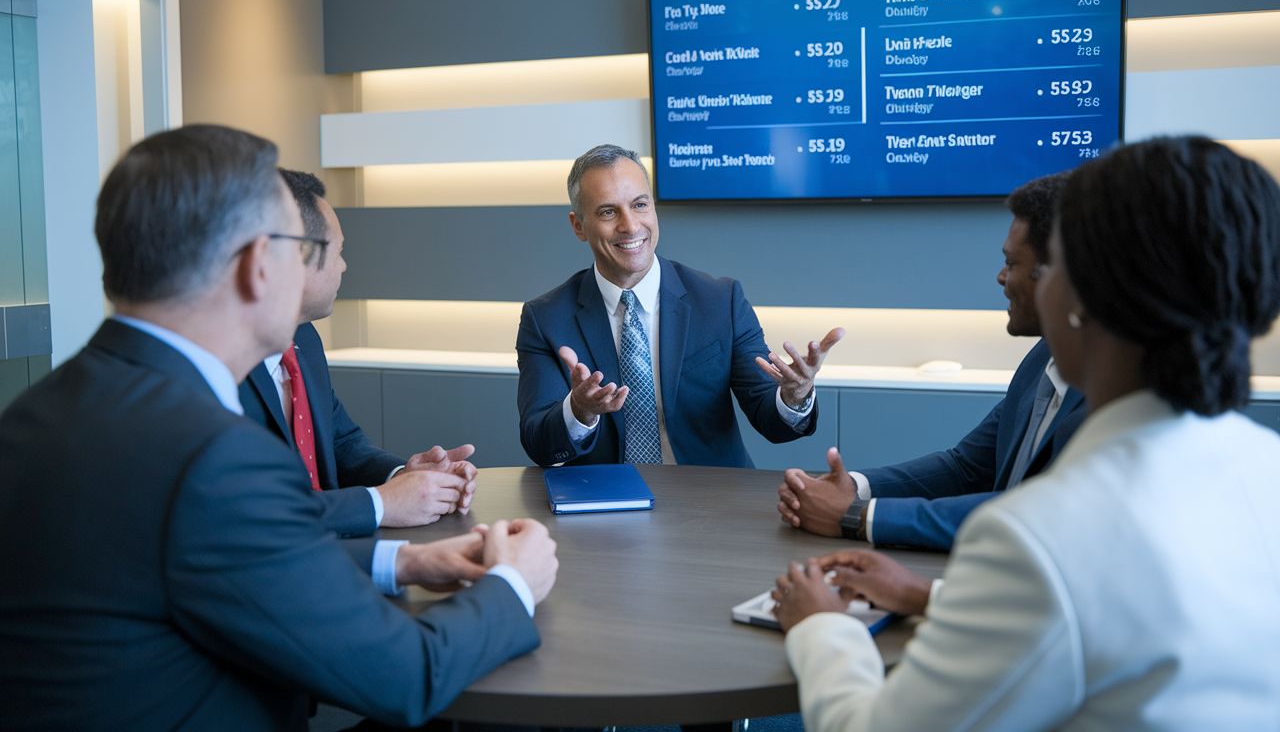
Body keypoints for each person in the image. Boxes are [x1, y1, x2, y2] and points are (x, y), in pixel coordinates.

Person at [0, 125, 559, 729]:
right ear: (255, 266)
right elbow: (407, 676)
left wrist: (403, 563)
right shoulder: (213, 455)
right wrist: (513, 584)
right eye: (296, 248)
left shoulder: (33, 416)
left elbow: (200, 559)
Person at [772, 136, 1280, 729]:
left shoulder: (1036, 539)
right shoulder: (1265, 470)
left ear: (1083, 296)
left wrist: (820, 626)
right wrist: (930, 597)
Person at [776, 172, 1088, 550]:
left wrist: (856, 517)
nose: (1001, 277)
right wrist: (854, 488)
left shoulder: (1107, 399)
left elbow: (1038, 513)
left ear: (1063, 276)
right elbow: (965, 467)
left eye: (1012, 263)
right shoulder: (1041, 360)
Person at [517, 144, 843, 468]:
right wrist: (579, 411)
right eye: (608, 211)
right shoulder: (545, 318)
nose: (630, 226)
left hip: (710, 501)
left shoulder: (721, 301)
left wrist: (795, 395)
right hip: (602, 505)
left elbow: (769, 419)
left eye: (640, 205)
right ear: (578, 226)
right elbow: (539, 444)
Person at [240, 169, 477, 537]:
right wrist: (383, 503)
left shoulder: (304, 340)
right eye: (339, 251)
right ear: (297, 256)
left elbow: (340, 441)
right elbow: (254, 511)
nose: (344, 265)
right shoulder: (224, 367)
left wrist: (403, 475)